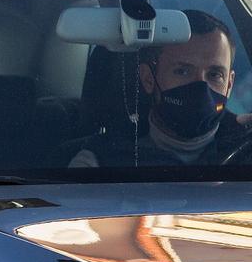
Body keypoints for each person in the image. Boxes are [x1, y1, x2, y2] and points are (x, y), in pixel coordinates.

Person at [70, 10, 252, 167]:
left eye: (215, 75)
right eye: (182, 71)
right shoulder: (99, 165)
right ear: (148, 79)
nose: (200, 86)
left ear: (229, 84)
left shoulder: (246, 143)